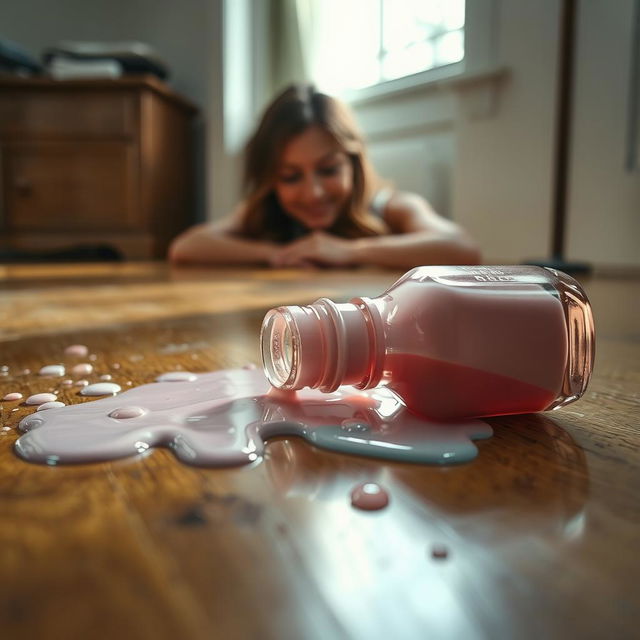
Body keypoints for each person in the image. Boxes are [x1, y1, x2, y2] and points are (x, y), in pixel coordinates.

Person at [169, 83, 481, 269]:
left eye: (329, 170)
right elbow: (185, 247)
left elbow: (463, 248)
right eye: (291, 176)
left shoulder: (389, 207)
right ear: (270, 179)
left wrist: (349, 251)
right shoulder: (267, 212)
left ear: (354, 163)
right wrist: (278, 254)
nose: (314, 193)